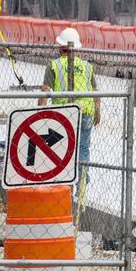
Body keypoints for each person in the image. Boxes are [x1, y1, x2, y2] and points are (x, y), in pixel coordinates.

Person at [40, 27, 100, 188]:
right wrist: (98, 112)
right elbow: (95, 91)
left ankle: (66, 182)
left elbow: (45, 91)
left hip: (65, 113)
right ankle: (82, 183)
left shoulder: (54, 65)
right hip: (86, 110)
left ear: (61, 48)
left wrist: (39, 114)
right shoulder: (87, 66)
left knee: (63, 149)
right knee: (83, 148)